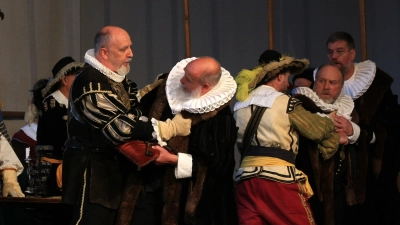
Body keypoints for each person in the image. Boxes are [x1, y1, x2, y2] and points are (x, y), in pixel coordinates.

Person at [62, 26, 191, 225]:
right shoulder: (89, 82)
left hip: (111, 171)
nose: (131, 54)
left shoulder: (118, 81)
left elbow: (134, 111)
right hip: (90, 173)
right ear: (104, 52)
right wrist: (168, 129)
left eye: (130, 47)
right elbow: (118, 127)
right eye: (123, 49)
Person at [115, 56, 238, 225]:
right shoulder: (163, 92)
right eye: (184, 74)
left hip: (183, 195)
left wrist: (172, 159)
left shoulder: (220, 118)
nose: (181, 80)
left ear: (205, 87)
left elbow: (217, 166)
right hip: (147, 185)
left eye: (188, 79)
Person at [234, 49, 348, 225]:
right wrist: (331, 121)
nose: (288, 84)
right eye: (287, 78)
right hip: (277, 180)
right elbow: (316, 130)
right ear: (279, 77)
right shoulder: (286, 102)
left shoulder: (240, 104)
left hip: (245, 180)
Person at [323, 31, 399, 224]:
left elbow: (387, 126)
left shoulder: (376, 84)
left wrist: (361, 135)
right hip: (335, 165)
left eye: (339, 51)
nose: (334, 57)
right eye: (330, 52)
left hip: (370, 164)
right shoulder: (322, 82)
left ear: (352, 53)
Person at [293, 64, 360, 224]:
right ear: (315, 83)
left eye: (332, 82)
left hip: (342, 191)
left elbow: (363, 137)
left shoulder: (347, 109)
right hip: (311, 191)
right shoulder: (302, 106)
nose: (327, 86)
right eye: (322, 81)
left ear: (341, 86)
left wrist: (352, 130)